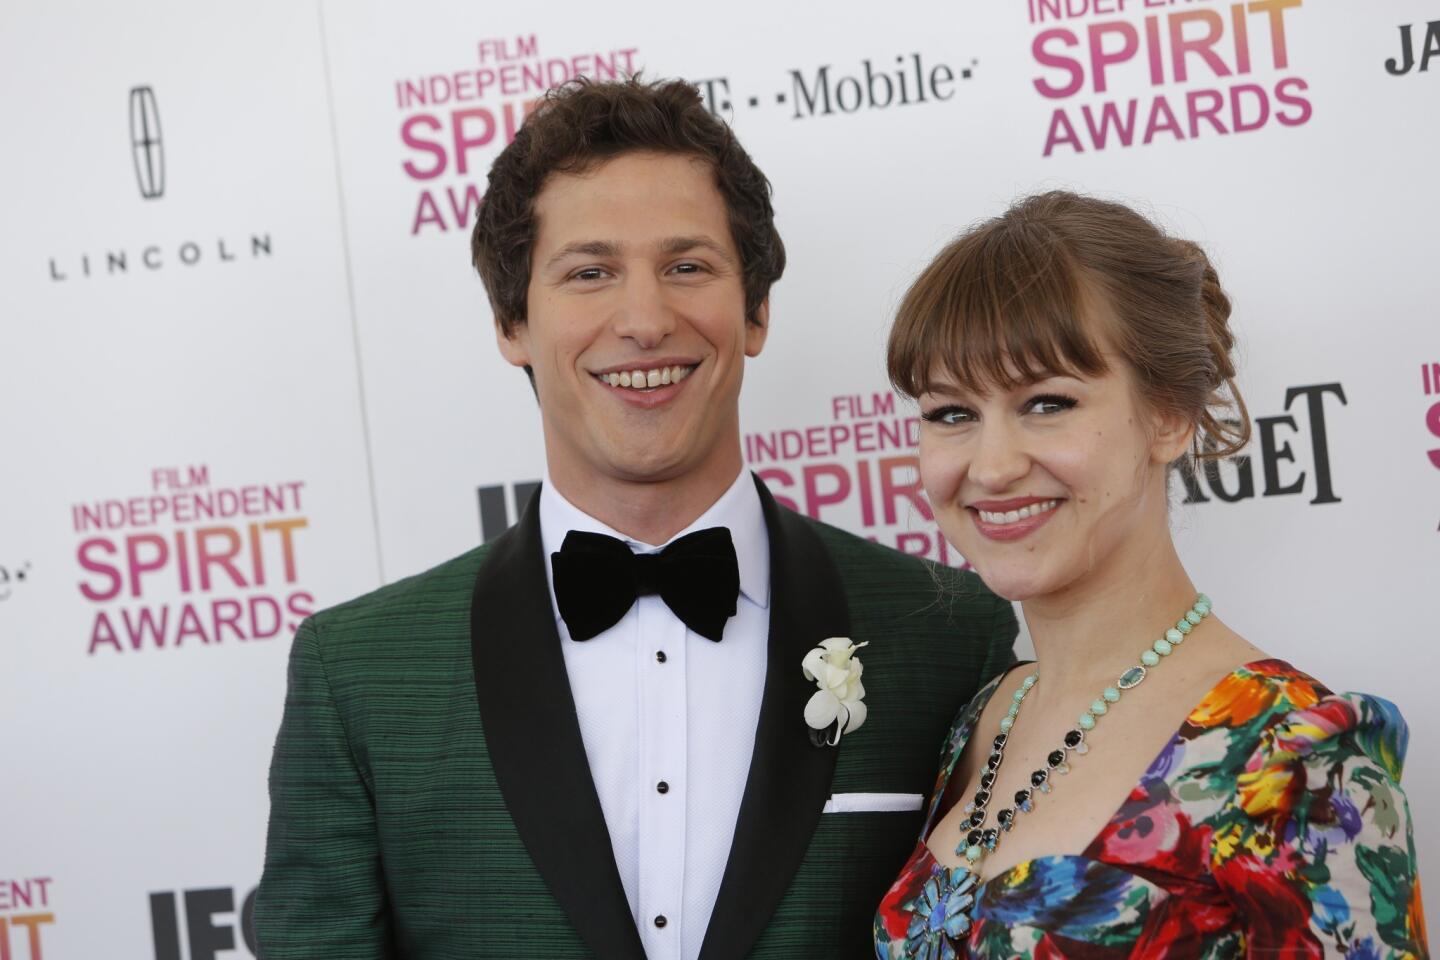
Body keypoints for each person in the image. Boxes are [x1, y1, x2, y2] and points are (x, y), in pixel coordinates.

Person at [253, 77, 1017, 960]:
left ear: (757, 309)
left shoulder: (952, 636)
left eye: (687, 267)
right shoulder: (360, 678)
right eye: (590, 273)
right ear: (512, 322)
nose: (646, 320)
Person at [873, 192, 1428, 959]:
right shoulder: (982, 718)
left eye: (1046, 402)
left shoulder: (1298, 760)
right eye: (951, 414)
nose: (991, 466)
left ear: (1168, 416)